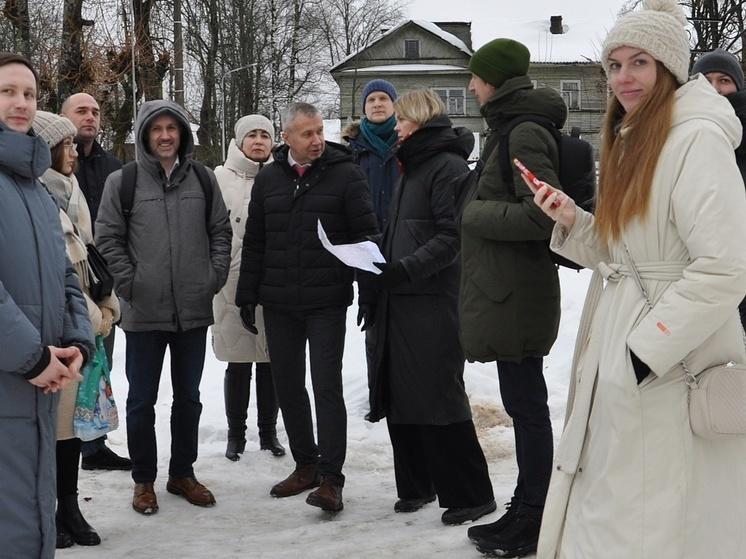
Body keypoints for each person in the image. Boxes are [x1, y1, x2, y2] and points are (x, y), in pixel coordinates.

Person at [524, 1, 746, 558]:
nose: (624, 77)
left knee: (658, 519)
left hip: (669, 362)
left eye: (639, 62)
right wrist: (574, 221)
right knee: (623, 510)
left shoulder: (697, 139)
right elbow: (630, 255)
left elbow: (725, 266)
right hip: (627, 356)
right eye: (614, 64)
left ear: (668, 67)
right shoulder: (636, 137)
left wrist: (644, 353)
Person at [360, 89, 496, 526]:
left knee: (438, 396)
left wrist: (405, 269)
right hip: (399, 298)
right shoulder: (412, 165)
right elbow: (403, 229)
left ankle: (471, 494)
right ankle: (417, 485)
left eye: (400, 120)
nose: (395, 126)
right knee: (401, 394)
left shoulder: (447, 167)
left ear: (417, 121)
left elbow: (451, 237)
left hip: (432, 301)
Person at [236, 102, 378, 512]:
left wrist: (368, 291)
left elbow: (366, 237)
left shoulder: (346, 174)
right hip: (279, 301)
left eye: (319, 131)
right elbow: (257, 241)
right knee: (288, 385)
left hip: (326, 300)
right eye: (307, 134)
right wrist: (248, 293)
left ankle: (332, 478)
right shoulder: (269, 180)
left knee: (325, 385)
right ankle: (306, 464)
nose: (317, 140)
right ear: (287, 138)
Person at [95, 100, 231, 515]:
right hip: (143, 310)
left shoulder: (204, 180)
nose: (166, 136)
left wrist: (213, 276)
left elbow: (220, 231)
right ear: (144, 135)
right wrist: (130, 282)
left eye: (173, 128)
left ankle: (182, 474)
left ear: (183, 134)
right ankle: (144, 480)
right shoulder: (125, 181)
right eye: (157, 129)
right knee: (141, 400)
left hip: (192, 309)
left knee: (189, 397)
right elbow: (107, 238)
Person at [457, 38, 566, 557]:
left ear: (495, 80)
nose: (471, 86)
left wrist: (474, 214)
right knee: (523, 405)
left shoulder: (522, 131)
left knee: (528, 409)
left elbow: (545, 212)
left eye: (476, 77)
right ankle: (525, 505)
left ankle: (535, 514)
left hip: (519, 295)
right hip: (506, 292)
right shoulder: (505, 127)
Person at [0, 52, 93, 559]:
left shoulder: (37, 191)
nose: (20, 103)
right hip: (14, 376)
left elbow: (64, 272)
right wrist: (33, 358)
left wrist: (77, 340)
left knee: (31, 514)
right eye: (7, 91)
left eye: (30, 94)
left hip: (39, 384)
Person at [34, 110, 121, 549]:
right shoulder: (38, 195)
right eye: (66, 146)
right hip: (55, 330)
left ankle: (69, 507)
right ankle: (48, 509)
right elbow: (58, 269)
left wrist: (108, 302)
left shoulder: (72, 191)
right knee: (48, 431)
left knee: (68, 432)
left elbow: (88, 256)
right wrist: (97, 316)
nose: (74, 153)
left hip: (82, 329)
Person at [60, 91, 130, 472]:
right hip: (64, 284)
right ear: (63, 116)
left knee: (100, 366)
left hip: (103, 288)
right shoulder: (51, 168)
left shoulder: (115, 169)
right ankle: (66, 444)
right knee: (69, 371)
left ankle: (94, 443)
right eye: (81, 111)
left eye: (96, 112)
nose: (90, 117)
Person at [212, 114, 285, 461]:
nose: (258, 141)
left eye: (265, 135)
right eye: (251, 135)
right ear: (239, 142)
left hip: (272, 282)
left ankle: (269, 433)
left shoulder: (281, 176)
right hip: (229, 284)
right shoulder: (218, 178)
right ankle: (235, 434)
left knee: (270, 362)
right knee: (238, 361)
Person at [691, 49, 746, 329]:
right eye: (705, 80)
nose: (714, 89)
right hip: (696, 272)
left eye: (724, 80)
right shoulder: (678, 136)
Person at [343, 79, 400, 229]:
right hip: (365, 236)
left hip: (404, 237)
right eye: (371, 100)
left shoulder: (410, 143)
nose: (377, 104)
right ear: (364, 108)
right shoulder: (351, 150)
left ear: (394, 105)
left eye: (383, 98)